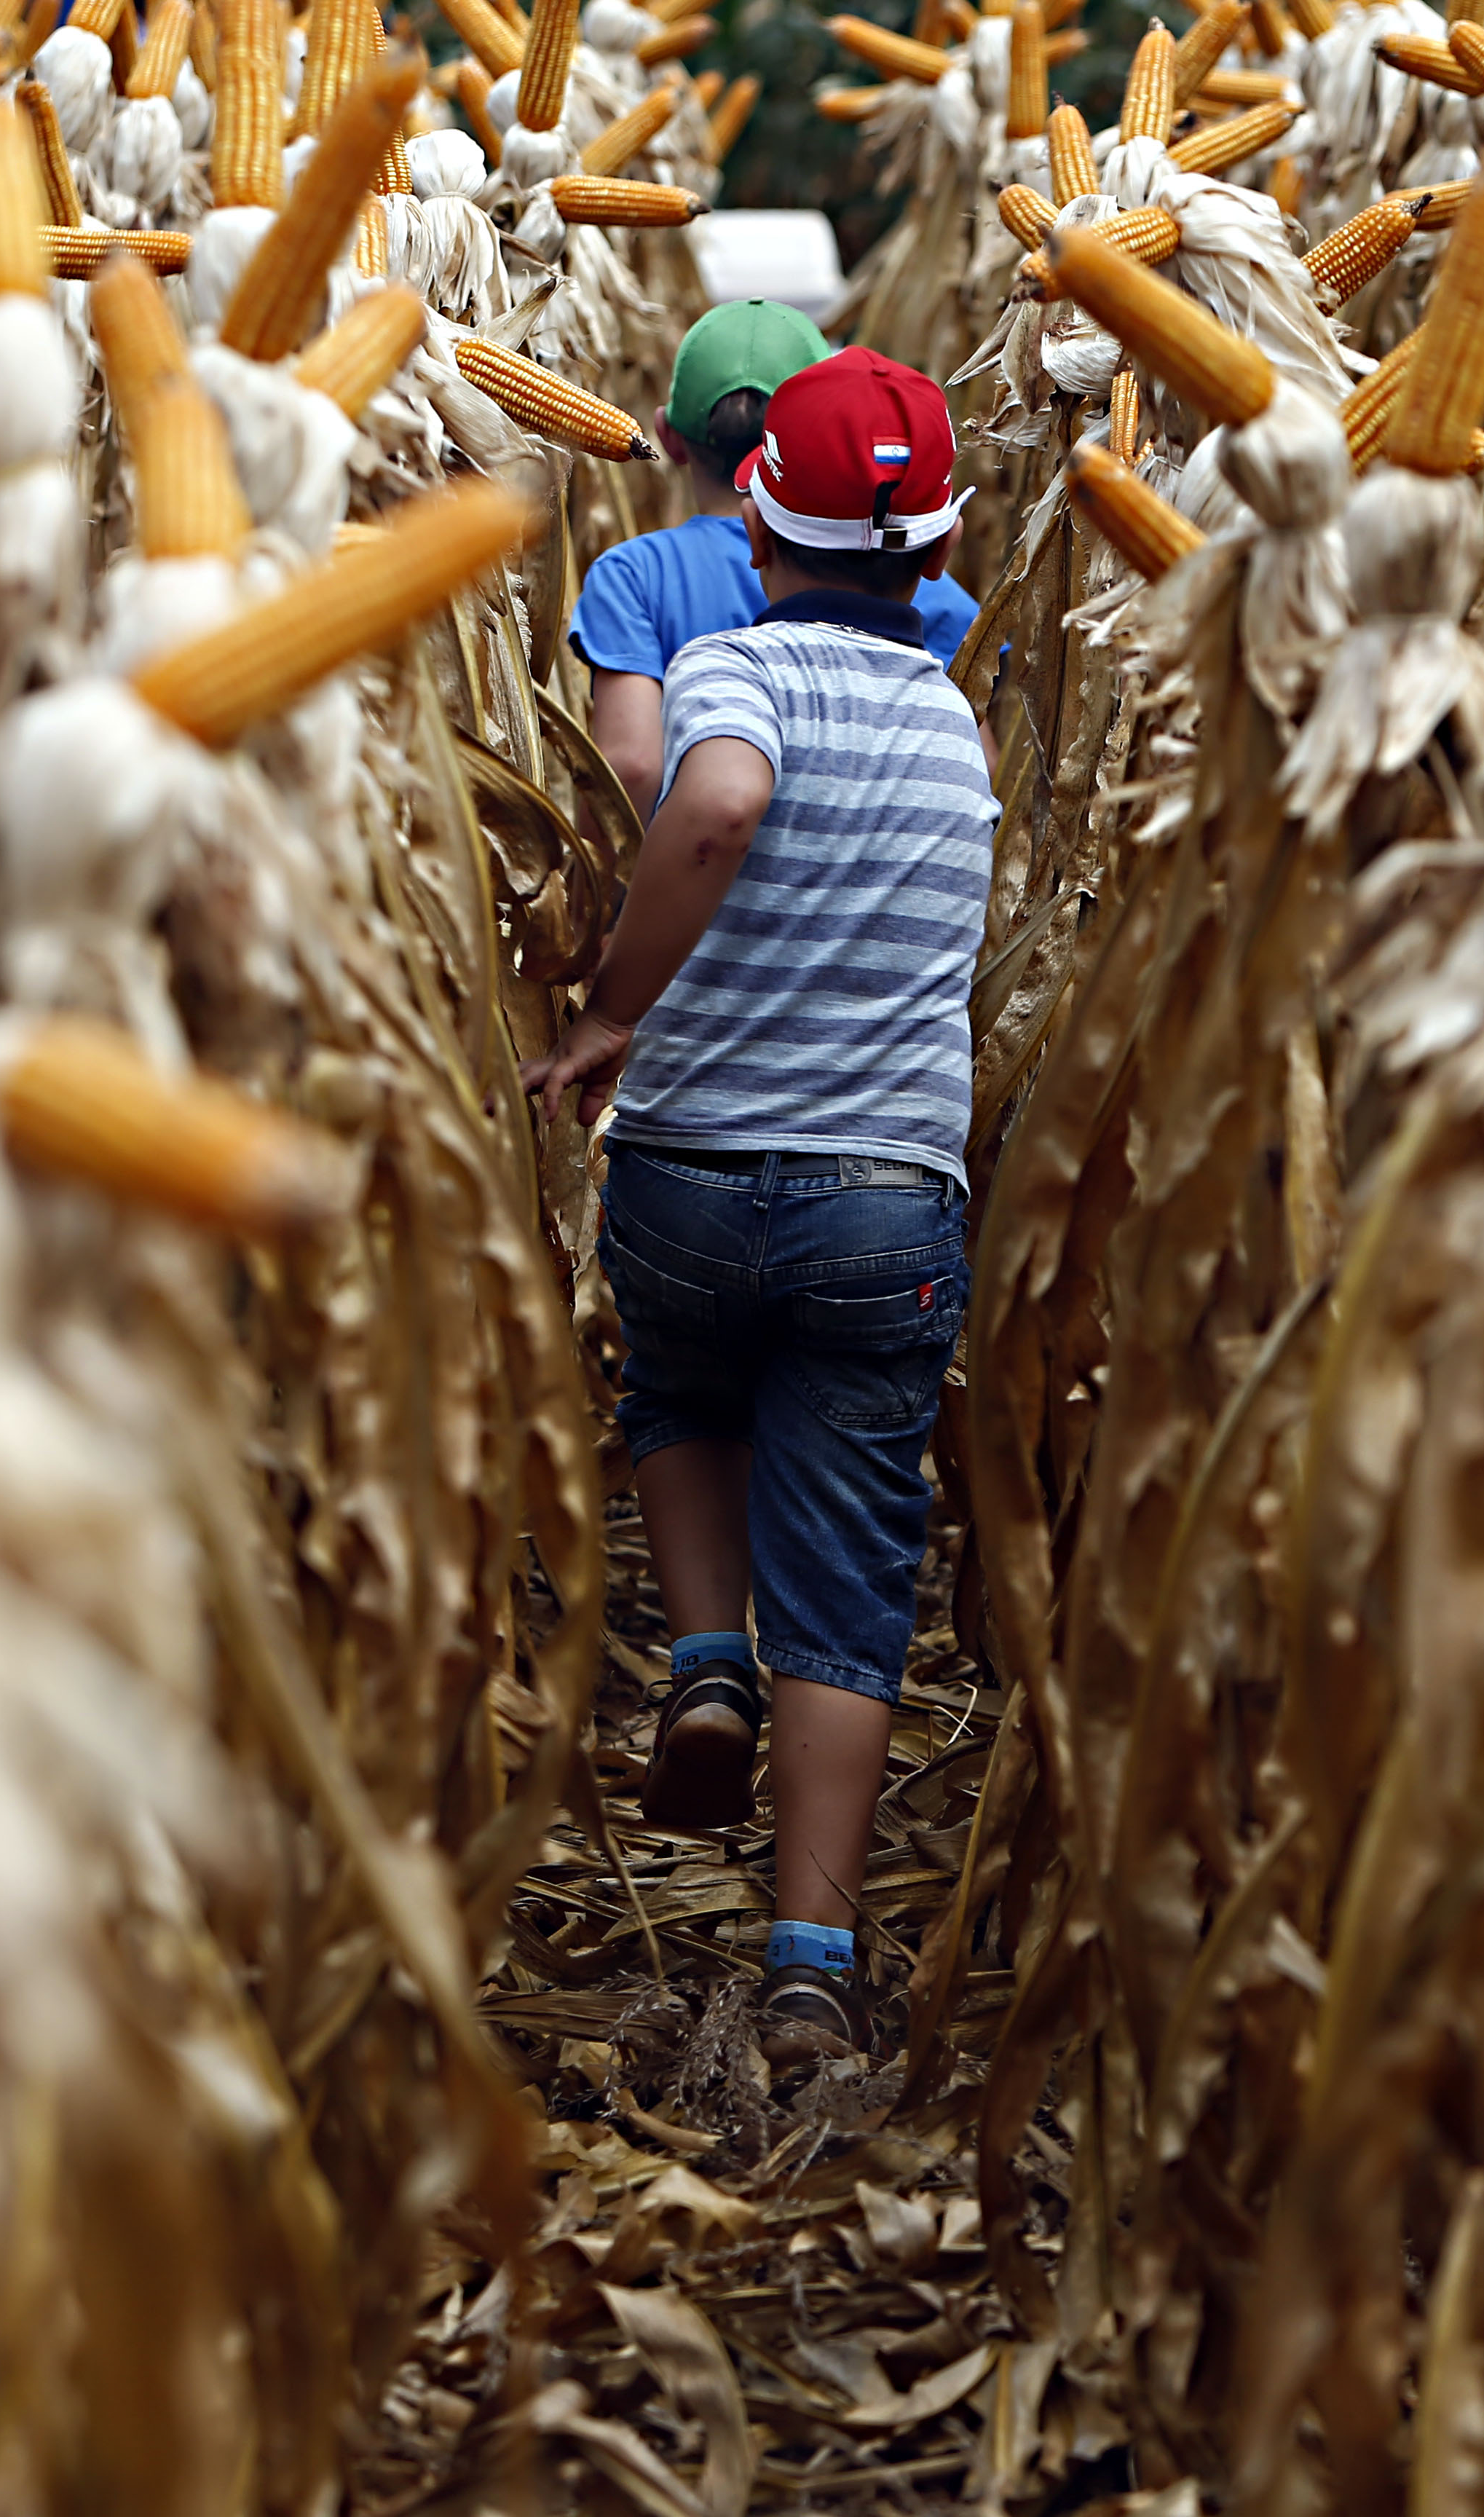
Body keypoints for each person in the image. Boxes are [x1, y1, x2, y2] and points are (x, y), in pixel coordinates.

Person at [521, 347, 995, 2061]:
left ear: (749, 508)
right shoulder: (952, 721)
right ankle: (811, 1951)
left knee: (675, 1391)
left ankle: (705, 1646)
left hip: (694, 1169)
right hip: (888, 1197)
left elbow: (711, 799)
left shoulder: (732, 664)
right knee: (858, 1556)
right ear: (937, 549)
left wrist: (611, 1008)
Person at [569, 302, 984, 823]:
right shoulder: (932, 589)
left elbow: (631, 766)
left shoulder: (634, 575)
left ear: (670, 438)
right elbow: (975, 767)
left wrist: (613, 895)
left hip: (686, 886)